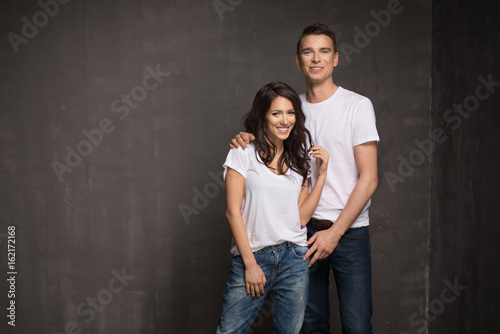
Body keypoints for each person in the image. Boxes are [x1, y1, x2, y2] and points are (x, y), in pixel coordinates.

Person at [229, 24, 379, 334]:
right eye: (308, 52)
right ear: (298, 61)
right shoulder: (290, 110)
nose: (316, 58)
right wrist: (246, 138)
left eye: (324, 51)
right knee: (310, 326)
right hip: (299, 234)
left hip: (348, 232)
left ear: (335, 58)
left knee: (356, 325)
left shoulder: (357, 106)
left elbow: (369, 179)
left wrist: (335, 233)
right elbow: (266, 148)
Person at [216, 81, 330, 334]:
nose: (285, 120)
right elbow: (232, 212)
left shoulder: (298, 158)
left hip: (294, 259)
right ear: (263, 116)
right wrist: (250, 264)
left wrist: (321, 176)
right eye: (276, 113)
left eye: (290, 113)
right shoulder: (242, 153)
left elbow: (301, 218)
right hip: (255, 256)